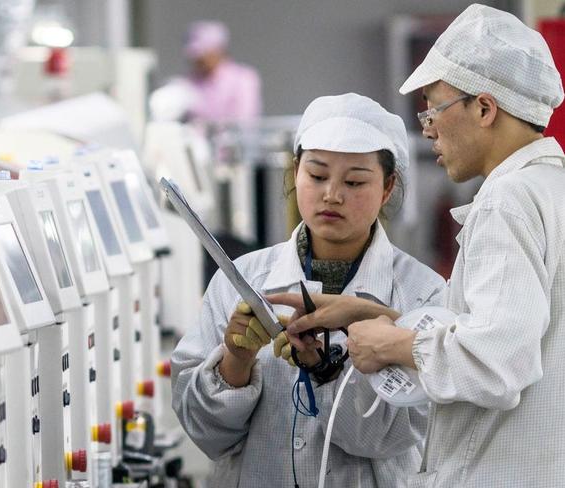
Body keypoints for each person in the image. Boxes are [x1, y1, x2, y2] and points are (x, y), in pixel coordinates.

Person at [271, 5, 565, 487]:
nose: (426, 128)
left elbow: (499, 362)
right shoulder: (549, 188)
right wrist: (369, 315)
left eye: (433, 109)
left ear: (484, 109)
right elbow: (492, 330)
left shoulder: (505, 204)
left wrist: (397, 344)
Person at [171, 92, 446, 487]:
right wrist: (236, 359)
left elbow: (392, 437)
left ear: (387, 188)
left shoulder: (422, 295)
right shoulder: (242, 280)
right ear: (295, 173)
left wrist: (325, 369)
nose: (332, 194)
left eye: (354, 181)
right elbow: (206, 434)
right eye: (317, 176)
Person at [180, 20, 261, 123]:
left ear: (218, 50)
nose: (197, 60)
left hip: (233, 138)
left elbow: (244, 122)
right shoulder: (186, 83)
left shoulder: (243, 79)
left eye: (203, 55)